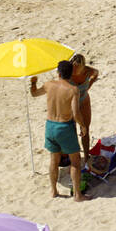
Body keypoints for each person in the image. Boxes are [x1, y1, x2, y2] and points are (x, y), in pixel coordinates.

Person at [29, 61, 86, 200]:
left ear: (58, 73)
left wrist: (33, 83)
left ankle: (53, 191)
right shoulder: (73, 90)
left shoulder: (49, 84)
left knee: (54, 160)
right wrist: (83, 126)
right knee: (75, 161)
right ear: (71, 73)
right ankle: (78, 195)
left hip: (50, 126)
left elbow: (34, 93)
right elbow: (75, 112)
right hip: (64, 127)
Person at [68, 53, 99, 157]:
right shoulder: (67, 72)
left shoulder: (88, 71)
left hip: (84, 102)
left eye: (77, 68)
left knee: (85, 129)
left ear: (83, 67)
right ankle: (74, 156)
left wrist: (89, 85)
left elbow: (96, 73)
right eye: (73, 67)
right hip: (70, 104)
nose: (75, 70)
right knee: (71, 131)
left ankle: (86, 156)